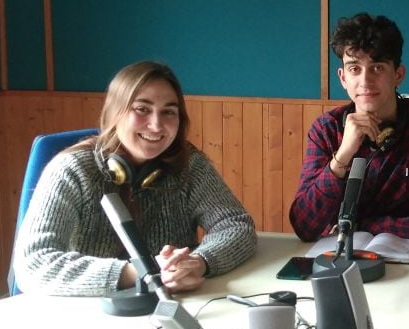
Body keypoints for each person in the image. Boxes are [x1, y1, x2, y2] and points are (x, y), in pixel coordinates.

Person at [14, 60, 257, 296]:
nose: (156, 125)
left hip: (175, 309)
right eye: (142, 109)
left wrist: (199, 261)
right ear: (115, 113)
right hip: (87, 316)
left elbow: (235, 224)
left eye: (169, 112)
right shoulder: (71, 170)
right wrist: (141, 272)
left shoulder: (189, 164)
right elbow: (34, 263)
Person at [289, 13, 409, 243]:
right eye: (354, 69)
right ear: (342, 78)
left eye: (377, 68)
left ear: (398, 75)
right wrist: (342, 156)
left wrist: (360, 226)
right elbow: (304, 226)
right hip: (344, 261)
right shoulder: (326, 130)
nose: (365, 81)